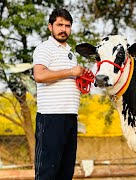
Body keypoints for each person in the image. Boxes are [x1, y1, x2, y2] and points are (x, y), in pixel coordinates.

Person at [32, 8, 85, 180]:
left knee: (65, 173)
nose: (63, 29)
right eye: (59, 25)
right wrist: (71, 71)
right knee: (47, 172)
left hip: (70, 117)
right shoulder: (44, 48)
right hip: (50, 118)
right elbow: (39, 75)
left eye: (67, 25)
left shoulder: (70, 53)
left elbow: (68, 79)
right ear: (50, 27)